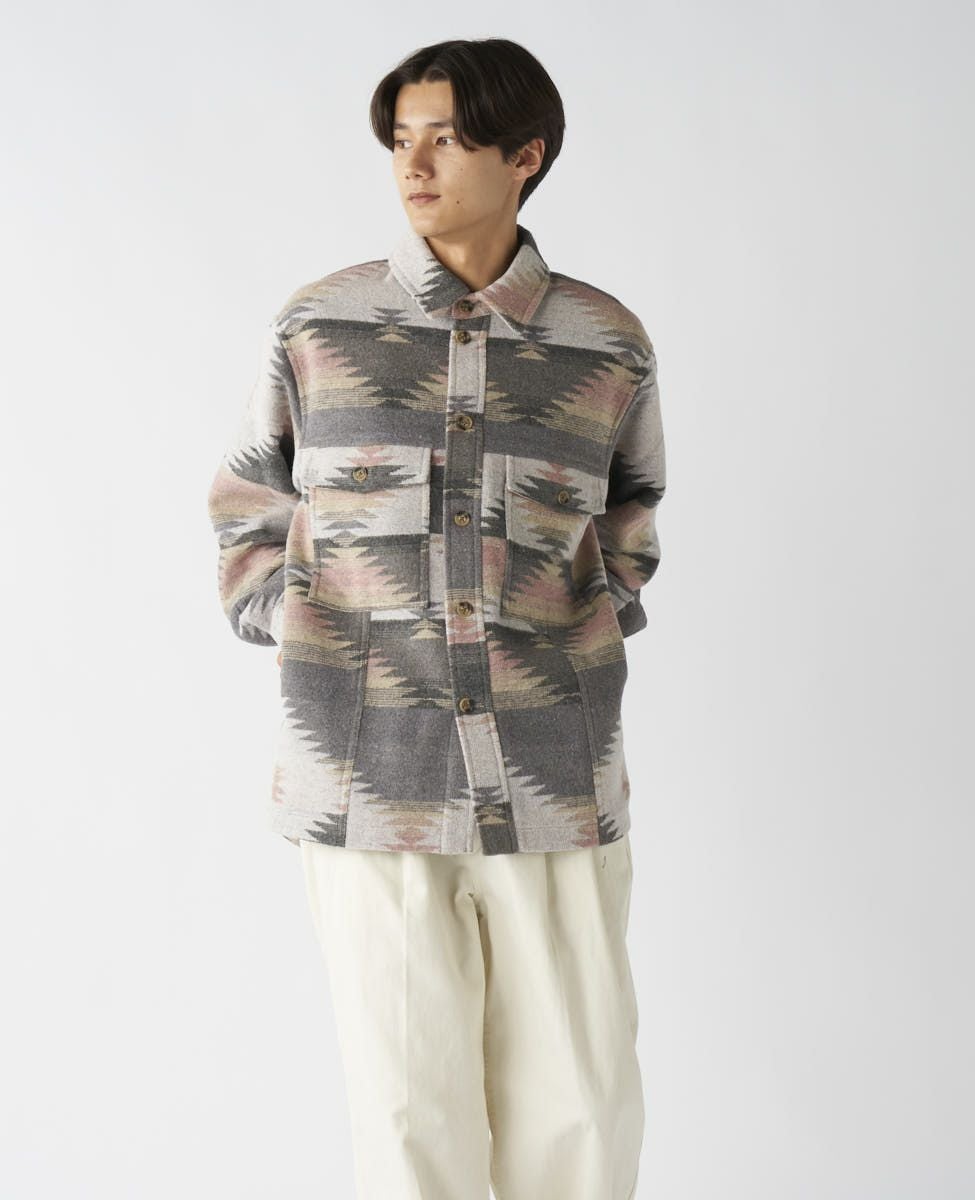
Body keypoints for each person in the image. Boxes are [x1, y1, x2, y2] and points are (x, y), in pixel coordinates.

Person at [206, 36, 665, 1200]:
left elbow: (631, 519)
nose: (413, 166)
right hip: (369, 779)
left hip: (554, 779)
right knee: (413, 1119)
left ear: (525, 156)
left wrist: (576, 638)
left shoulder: (604, 342)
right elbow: (250, 503)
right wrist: (302, 628)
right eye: (401, 140)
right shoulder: (321, 325)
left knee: (582, 1110)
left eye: (447, 140)